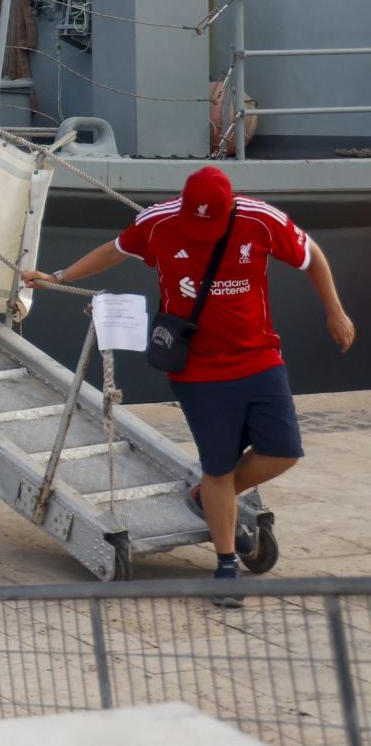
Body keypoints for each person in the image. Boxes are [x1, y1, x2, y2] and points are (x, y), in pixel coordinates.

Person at [23, 166, 354, 605]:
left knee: (283, 452)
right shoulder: (159, 221)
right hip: (197, 370)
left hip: (259, 359)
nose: (201, 231)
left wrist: (335, 310)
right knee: (217, 465)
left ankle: (206, 497)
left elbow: (309, 253)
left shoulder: (259, 219)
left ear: (228, 207)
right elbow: (115, 250)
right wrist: (59, 276)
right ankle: (225, 566)